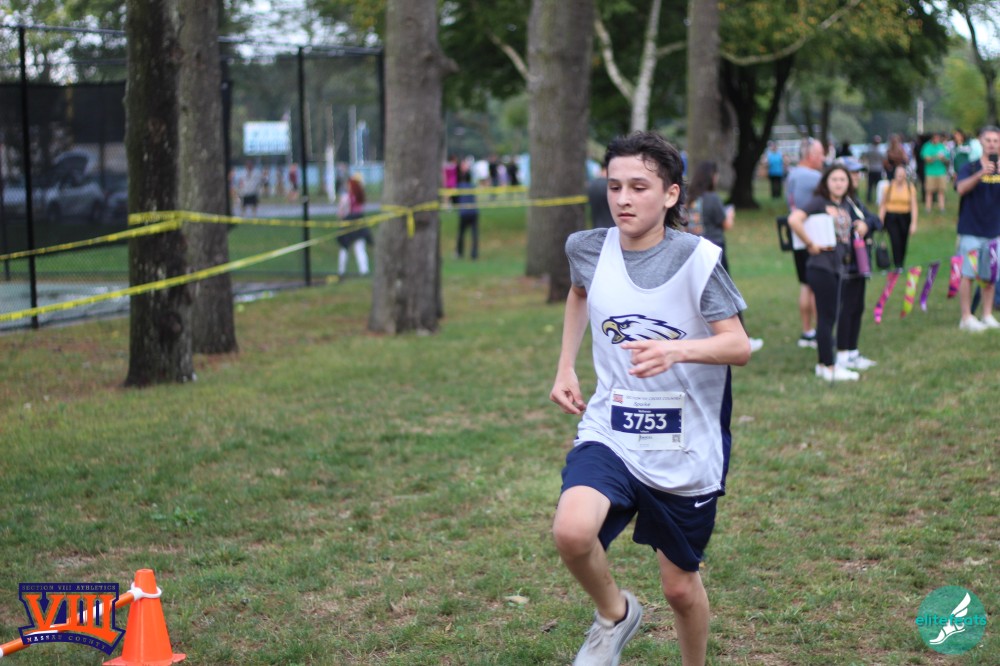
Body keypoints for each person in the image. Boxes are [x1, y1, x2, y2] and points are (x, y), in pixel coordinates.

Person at [548, 131, 751, 666]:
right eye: (615, 186)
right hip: (612, 427)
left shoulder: (698, 259)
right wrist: (566, 364)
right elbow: (579, 292)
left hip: (684, 444)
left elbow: (738, 346)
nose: (623, 199)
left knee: (680, 589)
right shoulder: (587, 248)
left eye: (639, 187)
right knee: (572, 531)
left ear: (670, 194)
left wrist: (675, 351)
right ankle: (614, 615)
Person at [787, 164, 871, 381]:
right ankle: (829, 367)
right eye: (834, 179)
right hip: (821, 267)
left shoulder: (845, 204)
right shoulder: (819, 202)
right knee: (827, 318)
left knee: (830, 316)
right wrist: (810, 244)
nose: (839, 183)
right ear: (826, 182)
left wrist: (862, 225)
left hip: (838, 267)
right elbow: (794, 220)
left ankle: (823, 365)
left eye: (843, 179)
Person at [688, 160, 764, 354]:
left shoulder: (689, 199)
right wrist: (730, 214)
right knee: (726, 294)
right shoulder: (712, 199)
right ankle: (742, 337)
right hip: (714, 251)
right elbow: (725, 224)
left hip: (692, 252)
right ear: (711, 177)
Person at [954, 125, 1000, 332]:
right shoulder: (970, 167)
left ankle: (987, 314)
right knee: (968, 274)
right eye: (988, 140)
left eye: (996, 141)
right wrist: (982, 173)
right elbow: (960, 189)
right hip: (971, 229)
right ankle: (966, 317)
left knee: (990, 275)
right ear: (981, 141)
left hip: (994, 231)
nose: (992, 144)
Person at [786, 137, 826, 348]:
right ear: (811, 156)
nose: (823, 158)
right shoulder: (814, 177)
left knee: (805, 284)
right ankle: (821, 332)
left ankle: (807, 331)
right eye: (821, 154)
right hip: (812, 236)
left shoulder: (792, 174)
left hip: (796, 235)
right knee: (817, 285)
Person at [878, 164, 918, 269]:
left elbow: (914, 206)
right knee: (895, 240)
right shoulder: (889, 187)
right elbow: (883, 205)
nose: (900, 176)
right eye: (898, 174)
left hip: (905, 217)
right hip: (892, 217)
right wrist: (880, 219)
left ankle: (901, 262)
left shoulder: (910, 188)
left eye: (902, 174)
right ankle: (897, 264)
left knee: (903, 241)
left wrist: (914, 223)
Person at [336, 173, 372, 277]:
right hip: (359, 224)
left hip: (348, 224)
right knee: (359, 249)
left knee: (344, 249)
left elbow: (340, 213)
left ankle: (341, 272)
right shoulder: (360, 197)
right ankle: (364, 271)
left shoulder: (346, 197)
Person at [920, 132, 950, 213]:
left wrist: (943, 158)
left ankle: (942, 207)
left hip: (941, 172)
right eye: (935, 138)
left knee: (941, 191)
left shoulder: (942, 147)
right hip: (930, 173)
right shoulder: (927, 146)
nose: (937, 139)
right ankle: (928, 208)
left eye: (938, 138)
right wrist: (935, 157)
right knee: (929, 191)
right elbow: (925, 158)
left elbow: (947, 159)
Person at [454, 164, 479, 259]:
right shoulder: (472, 186)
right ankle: (474, 254)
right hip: (473, 212)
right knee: (474, 234)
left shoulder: (459, 186)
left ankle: (459, 253)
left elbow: (455, 200)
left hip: (464, 213)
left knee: (461, 234)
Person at [863, 136, 885, 204]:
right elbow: (883, 158)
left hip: (871, 169)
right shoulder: (880, 150)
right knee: (878, 186)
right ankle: (879, 199)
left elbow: (865, 157)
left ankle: (869, 199)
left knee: (870, 186)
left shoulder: (869, 149)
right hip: (878, 169)